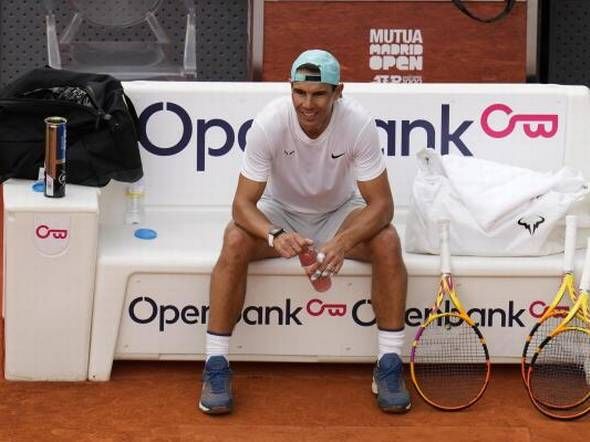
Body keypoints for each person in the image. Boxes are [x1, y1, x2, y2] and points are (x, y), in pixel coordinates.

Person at [198, 49, 410, 415]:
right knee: (234, 238)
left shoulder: (358, 123)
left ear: (338, 92)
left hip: (338, 215)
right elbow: (242, 205)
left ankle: (389, 364)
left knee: (388, 240)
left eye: (318, 94)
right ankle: (215, 365)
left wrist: (341, 242)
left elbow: (382, 206)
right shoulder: (269, 123)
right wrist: (274, 234)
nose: (307, 104)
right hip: (281, 214)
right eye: (300, 93)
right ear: (291, 89)